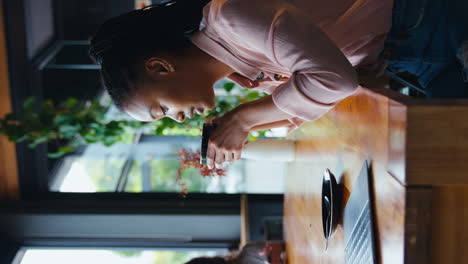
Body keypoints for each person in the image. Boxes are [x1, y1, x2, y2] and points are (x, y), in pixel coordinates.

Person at [89, 0, 467, 169]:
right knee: (451, 155)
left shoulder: (231, 18)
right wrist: (245, 130)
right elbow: (310, 106)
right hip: (411, 57)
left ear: (159, 67)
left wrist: (243, 119)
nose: (175, 118)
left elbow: (335, 81)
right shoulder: (239, 66)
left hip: (429, 18)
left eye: (161, 109)